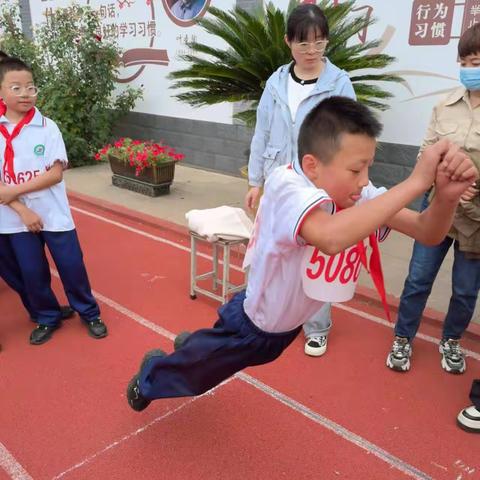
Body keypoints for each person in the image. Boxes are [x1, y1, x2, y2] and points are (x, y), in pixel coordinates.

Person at [126, 96, 478, 412]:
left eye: (369, 166)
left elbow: (427, 232)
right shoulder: (287, 184)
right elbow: (328, 237)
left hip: (286, 324)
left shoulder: (358, 192)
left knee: (216, 350)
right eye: (356, 169)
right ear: (312, 166)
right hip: (256, 324)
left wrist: (445, 197)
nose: (364, 180)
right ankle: (149, 379)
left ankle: (195, 346)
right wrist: (417, 182)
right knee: (200, 377)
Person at [245, 4, 356, 358]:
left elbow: (350, 136)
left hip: (317, 187)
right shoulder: (276, 83)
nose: (312, 52)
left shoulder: (339, 83)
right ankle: (271, 315)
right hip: (280, 183)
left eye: (319, 43)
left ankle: (317, 326)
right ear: (288, 41)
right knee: (272, 249)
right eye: (303, 45)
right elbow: (261, 132)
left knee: (316, 257)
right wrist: (254, 181)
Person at [386, 23, 480, 375]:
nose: (474, 68)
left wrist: (473, 186)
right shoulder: (444, 106)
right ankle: (403, 337)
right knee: (418, 278)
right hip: (437, 206)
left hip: (476, 218)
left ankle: (452, 340)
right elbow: (426, 153)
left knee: (466, 288)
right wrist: (444, 184)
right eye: (469, 61)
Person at [0, 57, 108, 345]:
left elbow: (55, 174)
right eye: (16, 87)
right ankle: (47, 316)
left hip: (53, 213)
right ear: (1, 92)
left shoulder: (47, 128)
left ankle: (89, 312)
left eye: (30, 87)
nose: (25, 93)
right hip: (14, 219)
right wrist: (20, 207)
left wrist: (12, 191)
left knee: (71, 265)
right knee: (32, 272)